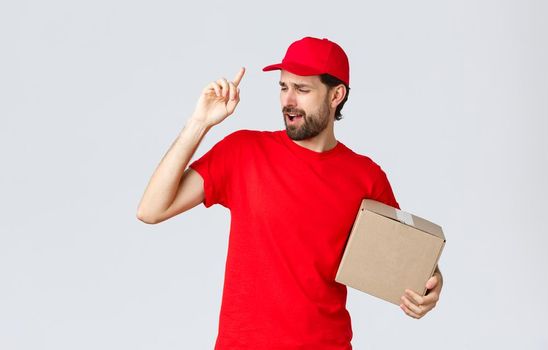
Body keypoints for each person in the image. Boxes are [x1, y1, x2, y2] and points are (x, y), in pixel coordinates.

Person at [136, 36, 442, 349]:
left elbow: (409, 258)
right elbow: (151, 210)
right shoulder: (244, 152)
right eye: (283, 87)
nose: (288, 100)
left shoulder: (366, 177)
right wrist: (198, 123)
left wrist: (432, 283)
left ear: (336, 95)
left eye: (302, 89)